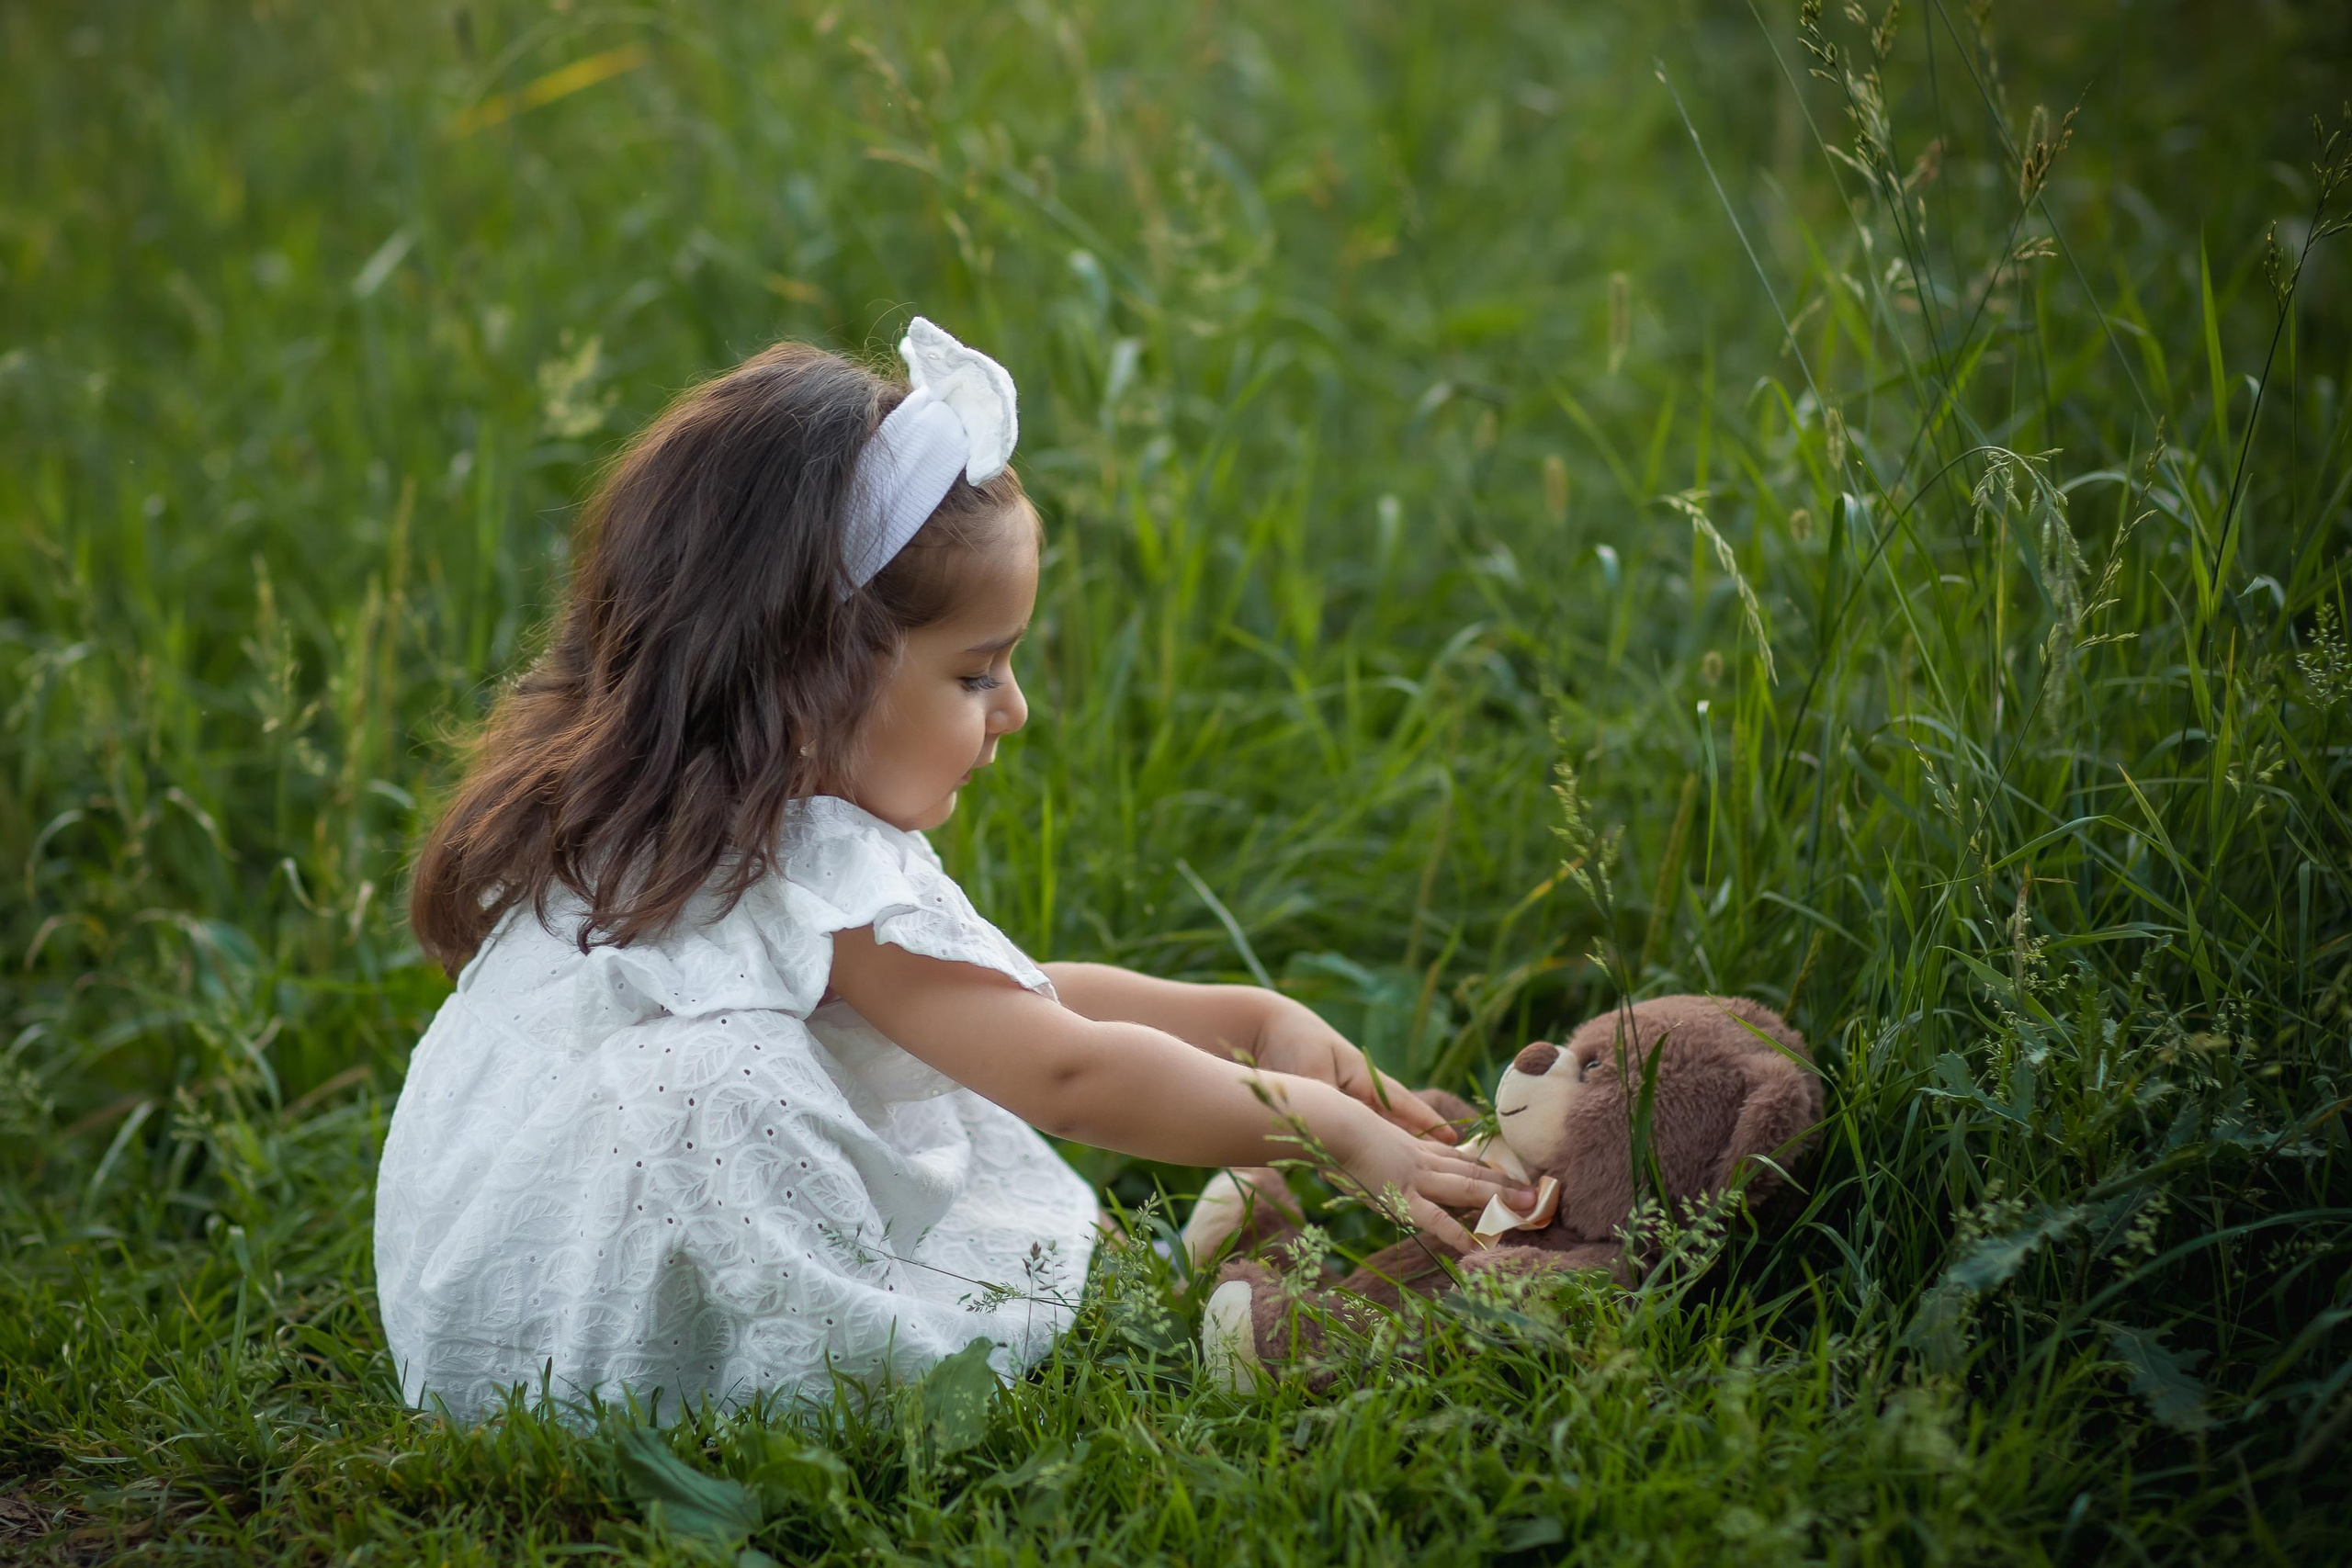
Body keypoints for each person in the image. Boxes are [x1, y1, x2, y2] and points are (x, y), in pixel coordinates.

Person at [375, 318, 1528, 1421]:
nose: (1013, 711)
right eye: (977, 675)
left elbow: (994, 1007)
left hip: (482, 1292)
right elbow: (1061, 1071)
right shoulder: (810, 858)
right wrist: (1327, 1129)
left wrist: (1249, 1021)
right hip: (605, 1349)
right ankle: (795, 1367)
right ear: (807, 682)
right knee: (742, 1089)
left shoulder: (667, 808)